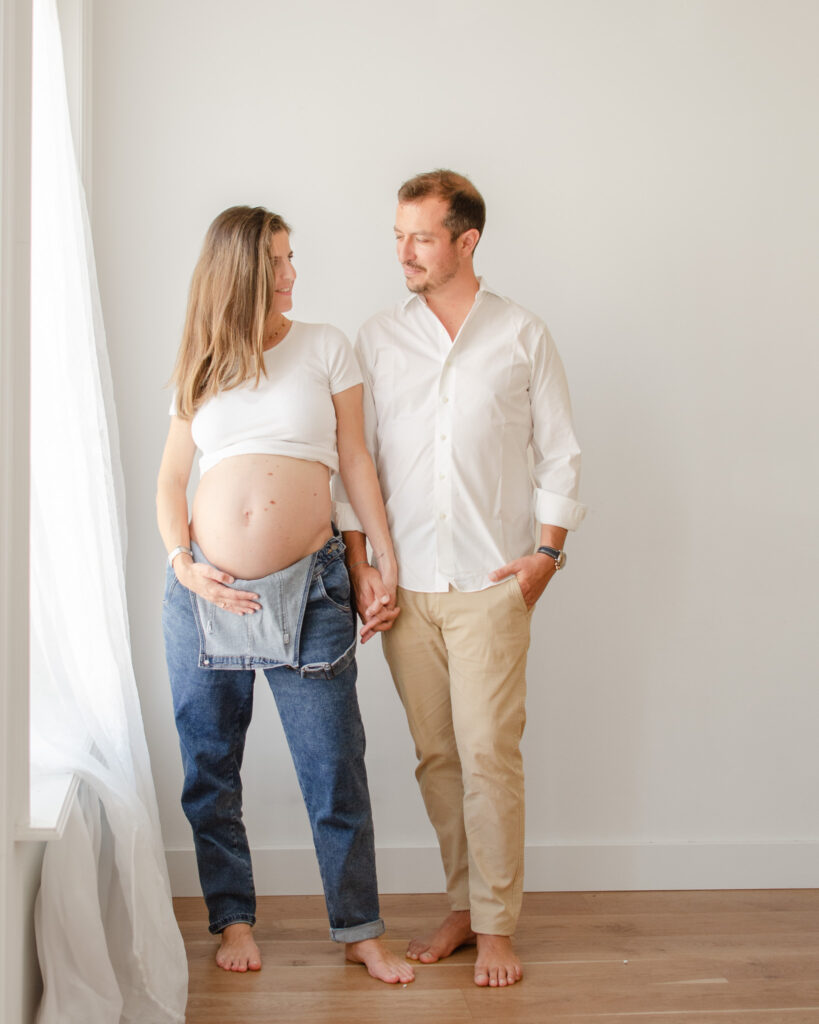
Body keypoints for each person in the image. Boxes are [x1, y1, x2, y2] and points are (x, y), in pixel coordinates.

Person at [335, 170, 585, 988]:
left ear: (466, 241)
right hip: (406, 592)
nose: (403, 252)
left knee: (488, 756)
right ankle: (462, 904)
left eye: (421, 237)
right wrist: (363, 565)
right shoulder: (377, 337)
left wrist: (544, 557)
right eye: (398, 236)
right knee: (436, 756)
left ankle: (498, 923)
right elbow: (354, 459)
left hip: (490, 584)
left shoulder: (521, 334)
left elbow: (559, 450)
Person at [156, 205, 414, 984]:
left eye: (292, 257)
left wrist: (381, 558)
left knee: (334, 765)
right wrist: (182, 562)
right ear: (242, 270)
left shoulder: (325, 347)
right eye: (280, 260)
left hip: (312, 590)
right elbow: (172, 479)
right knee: (210, 767)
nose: (293, 273)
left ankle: (358, 928)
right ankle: (233, 918)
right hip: (208, 592)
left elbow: (356, 461)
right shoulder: (199, 362)